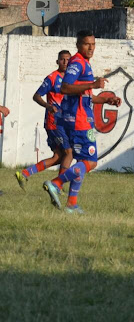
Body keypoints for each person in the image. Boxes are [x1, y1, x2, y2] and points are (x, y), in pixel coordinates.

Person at [42, 30, 121, 214]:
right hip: (79, 121)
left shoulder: (84, 63)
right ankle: (57, 183)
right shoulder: (77, 62)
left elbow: (85, 95)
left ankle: (71, 204)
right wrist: (93, 84)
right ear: (78, 45)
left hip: (77, 118)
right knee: (90, 161)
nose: (91, 48)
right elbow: (65, 87)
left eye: (93, 44)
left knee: (82, 162)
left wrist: (106, 100)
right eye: (87, 44)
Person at [15, 50, 73, 191]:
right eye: (62, 59)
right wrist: (48, 106)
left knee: (58, 157)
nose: (65, 62)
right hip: (54, 122)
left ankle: (24, 173)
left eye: (67, 60)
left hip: (64, 122)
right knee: (69, 153)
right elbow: (36, 96)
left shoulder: (72, 80)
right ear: (57, 61)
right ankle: (58, 187)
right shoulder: (52, 78)